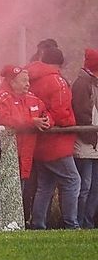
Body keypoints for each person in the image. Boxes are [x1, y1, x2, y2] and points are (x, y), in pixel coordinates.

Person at [28, 47, 81, 229]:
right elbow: (61, 113)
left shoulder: (32, 79)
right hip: (57, 143)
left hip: (39, 142)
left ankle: (38, 223)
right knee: (73, 180)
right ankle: (71, 223)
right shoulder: (57, 81)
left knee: (45, 185)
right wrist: (69, 122)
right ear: (60, 63)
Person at [0, 65, 51, 220]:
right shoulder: (2, 97)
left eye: (28, 80)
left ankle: (22, 222)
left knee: (25, 190)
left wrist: (46, 121)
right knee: (9, 191)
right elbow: (4, 119)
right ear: (12, 82)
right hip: (8, 155)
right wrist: (32, 122)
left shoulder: (32, 98)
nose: (28, 84)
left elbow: (47, 114)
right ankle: (8, 222)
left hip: (26, 154)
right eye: (23, 81)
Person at [72, 48, 98, 228]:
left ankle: (88, 222)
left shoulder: (92, 82)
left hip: (94, 140)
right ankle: (79, 222)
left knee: (94, 185)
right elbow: (82, 114)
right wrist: (91, 137)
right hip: (87, 141)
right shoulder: (82, 84)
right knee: (85, 185)